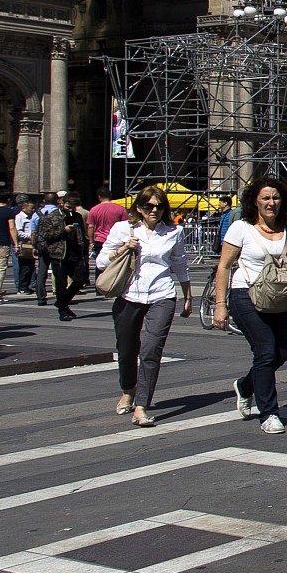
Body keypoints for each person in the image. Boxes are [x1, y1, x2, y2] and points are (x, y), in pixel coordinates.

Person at [212, 177, 287, 434]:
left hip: (282, 295)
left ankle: (245, 386)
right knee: (265, 352)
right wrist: (220, 305)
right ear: (254, 200)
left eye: (276, 197)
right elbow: (223, 266)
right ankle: (269, 413)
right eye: (266, 198)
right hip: (245, 293)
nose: (271, 202)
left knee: (280, 353)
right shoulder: (241, 228)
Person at [97, 183, 190, 428]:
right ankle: (128, 390)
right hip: (128, 295)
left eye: (159, 206)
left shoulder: (174, 231)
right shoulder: (122, 229)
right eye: (149, 206)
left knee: (151, 350)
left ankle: (141, 406)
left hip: (162, 295)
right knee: (126, 349)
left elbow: (180, 263)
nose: (154, 210)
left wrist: (187, 295)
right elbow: (99, 262)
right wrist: (120, 250)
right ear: (138, 208)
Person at [34, 191, 82, 319]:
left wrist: (84, 250)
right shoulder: (51, 217)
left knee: (80, 279)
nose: (71, 209)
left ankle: (62, 302)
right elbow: (46, 235)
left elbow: (81, 235)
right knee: (61, 283)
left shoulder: (77, 216)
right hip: (58, 254)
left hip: (74, 252)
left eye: (73, 207)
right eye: (68, 206)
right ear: (62, 203)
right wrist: (63, 230)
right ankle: (63, 310)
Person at [13, 195, 40, 297]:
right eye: (31, 208)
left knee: (31, 266)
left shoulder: (33, 217)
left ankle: (27, 285)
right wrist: (30, 236)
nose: (33, 210)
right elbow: (19, 231)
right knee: (25, 266)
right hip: (25, 244)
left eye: (34, 208)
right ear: (23, 208)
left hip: (32, 243)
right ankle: (22, 286)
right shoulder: (19, 217)